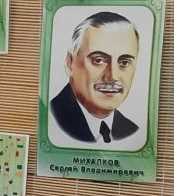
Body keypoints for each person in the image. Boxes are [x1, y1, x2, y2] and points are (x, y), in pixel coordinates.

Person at [50, 11, 144, 146]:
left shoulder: (131, 130)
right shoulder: (52, 119)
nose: (113, 76)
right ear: (70, 63)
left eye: (124, 62)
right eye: (98, 60)